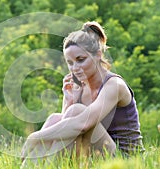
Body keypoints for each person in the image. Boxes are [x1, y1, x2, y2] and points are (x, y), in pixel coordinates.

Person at [21, 21, 145, 165]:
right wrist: (69, 101)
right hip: (94, 157)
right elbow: (66, 131)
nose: (75, 68)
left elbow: (82, 125)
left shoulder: (114, 85)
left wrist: (35, 137)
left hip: (125, 161)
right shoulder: (79, 86)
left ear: (98, 55)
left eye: (80, 60)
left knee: (77, 111)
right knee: (55, 118)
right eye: (70, 62)